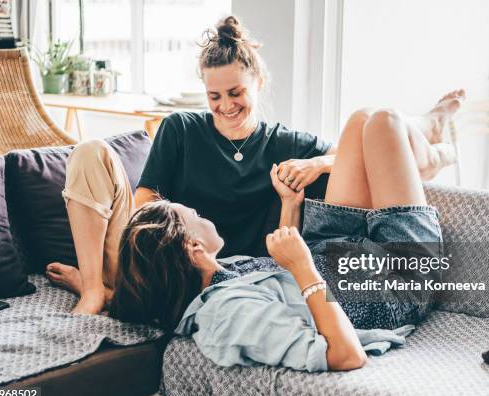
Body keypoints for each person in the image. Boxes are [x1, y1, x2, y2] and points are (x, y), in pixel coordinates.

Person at [45, 15, 463, 315]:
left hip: (234, 272)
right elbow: (146, 211)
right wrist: (161, 251)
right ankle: (97, 289)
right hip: (169, 260)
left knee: (373, 126)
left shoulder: (288, 144)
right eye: (214, 97)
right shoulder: (181, 129)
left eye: (235, 92)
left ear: (257, 81)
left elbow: (357, 164)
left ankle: (431, 142)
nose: (225, 106)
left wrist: (318, 163)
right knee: (89, 151)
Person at [108, 86, 463, 372]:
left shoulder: (217, 275)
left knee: (362, 120)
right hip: (392, 282)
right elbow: (346, 355)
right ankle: (430, 153)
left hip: (333, 248)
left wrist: (290, 207)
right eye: (192, 215)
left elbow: (280, 277)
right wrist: (304, 269)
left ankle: (425, 143)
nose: (200, 213)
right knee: (385, 122)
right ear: (193, 248)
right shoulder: (228, 316)